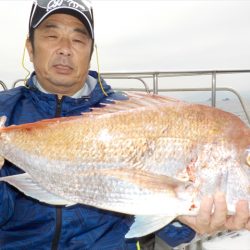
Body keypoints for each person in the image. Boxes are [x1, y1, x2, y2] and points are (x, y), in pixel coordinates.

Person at [0, 0, 249, 249]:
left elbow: (154, 223)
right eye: (52, 35)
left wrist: (183, 220)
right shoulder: (4, 112)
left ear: (91, 51)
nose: (65, 49)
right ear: (30, 48)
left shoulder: (126, 109)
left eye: (78, 40)